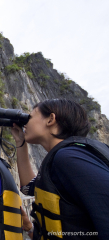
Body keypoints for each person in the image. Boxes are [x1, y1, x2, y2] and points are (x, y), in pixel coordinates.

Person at [11, 99, 109, 240]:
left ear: (50, 119)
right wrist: (21, 142)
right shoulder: (63, 156)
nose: (25, 122)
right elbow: (28, 188)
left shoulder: (70, 157)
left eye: (30, 117)